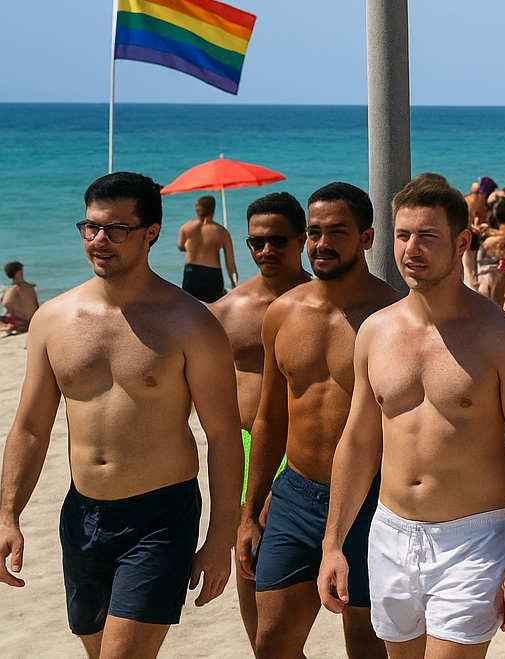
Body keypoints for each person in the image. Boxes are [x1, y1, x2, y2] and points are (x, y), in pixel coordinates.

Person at [1, 172, 242, 657]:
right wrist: (7, 514)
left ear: (152, 232)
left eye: (117, 229)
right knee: (96, 649)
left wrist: (221, 538)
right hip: (82, 513)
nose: (99, 240)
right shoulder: (53, 319)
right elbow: (30, 426)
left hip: (161, 516)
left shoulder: (191, 322)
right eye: (90, 227)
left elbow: (222, 435)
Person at [318, 176, 505, 657]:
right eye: (403, 235)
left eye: (427, 236)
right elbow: (359, 443)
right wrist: (333, 544)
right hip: (390, 532)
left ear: (462, 241)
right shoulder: (376, 332)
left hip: (474, 537)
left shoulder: (503, 339)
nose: (411, 249)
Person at [238, 183, 400, 659]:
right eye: (313, 232)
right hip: (296, 494)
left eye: (337, 232)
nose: (321, 243)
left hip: (373, 499)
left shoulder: (392, 315)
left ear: (368, 238)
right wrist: (250, 510)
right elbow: (268, 419)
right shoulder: (283, 314)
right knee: (272, 646)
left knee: (366, 645)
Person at [207, 192, 313, 653]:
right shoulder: (226, 312)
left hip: (313, 454)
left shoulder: (323, 303)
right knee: (249, 561)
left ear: (302, 241)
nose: (266, 251)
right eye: (255, 242)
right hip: (250, 448)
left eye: (278, 241)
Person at [178, 194, 239, 302]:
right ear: (213, 209)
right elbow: (230, 264)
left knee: (191, 311)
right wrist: (234, 285)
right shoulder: (222, 232)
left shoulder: (186, 227)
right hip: (212, 275)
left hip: (191, 272)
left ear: (196, 209)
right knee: (212, 312)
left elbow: (181, 246)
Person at [1, 261, 39, 334]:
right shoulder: (30, 288)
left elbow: (6, 304)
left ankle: (10, 327)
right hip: (32, 321)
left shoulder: (11, 292)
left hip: (20, 323)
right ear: (19, 272)